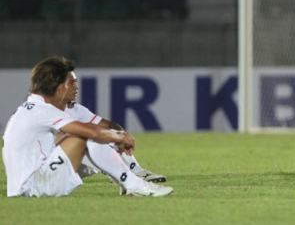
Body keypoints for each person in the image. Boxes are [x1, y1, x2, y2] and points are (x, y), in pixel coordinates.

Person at [2, 56, 173, 197]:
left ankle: (131, 183)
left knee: (90, 137)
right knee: (90, 137)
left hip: (27, 184)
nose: (76, 87)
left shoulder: (32, 108)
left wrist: (114, 137)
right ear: (60, 88)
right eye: (71, 83)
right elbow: (90, 132)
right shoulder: (41, 110)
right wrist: (121, 137)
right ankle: (136, 185)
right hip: (34, 187)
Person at [65, 101, 167, 182]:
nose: (76, 87)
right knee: (82, 137)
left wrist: (122, 136)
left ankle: (135, 171)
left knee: (107, 134)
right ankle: (123, 174)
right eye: (71, 83)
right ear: (58, 87)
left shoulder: (74, 109)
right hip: (54, 167)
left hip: (77, 166)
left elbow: (110, 126)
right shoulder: (50, 112)